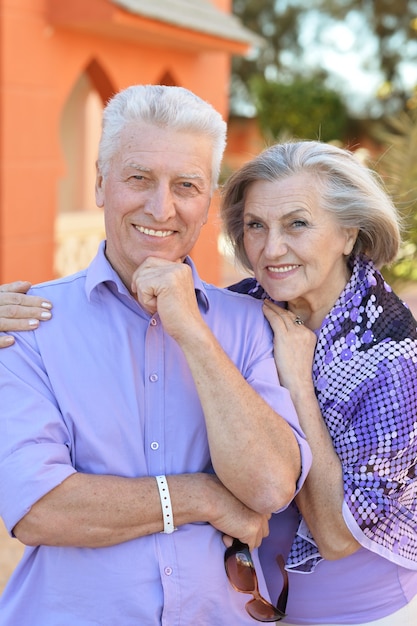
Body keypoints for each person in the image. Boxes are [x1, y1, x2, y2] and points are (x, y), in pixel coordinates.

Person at [0, 85, 312, 625]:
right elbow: (38, 508)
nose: (160, 207)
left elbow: (269, 486)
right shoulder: (27, 324)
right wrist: (206, 498)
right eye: (138, 178)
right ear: (100, 183)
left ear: (207, 201)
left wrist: (192, 331)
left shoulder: (249, 324)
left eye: (185, 185)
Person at [221, 140, 417, 625]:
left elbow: (336, 535)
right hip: (255, 607)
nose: (271, 249)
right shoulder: (245, 307)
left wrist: (297, 383)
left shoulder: (392, 356)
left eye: (298, 224)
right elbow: (147, 315)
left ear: (348, 233)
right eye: (255, 227)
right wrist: (21, 309)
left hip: (363, 614)